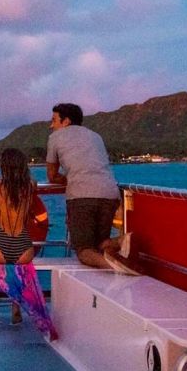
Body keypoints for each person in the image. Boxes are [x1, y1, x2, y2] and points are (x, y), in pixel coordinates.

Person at [46, 103, 136, 275]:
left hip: (82, 196)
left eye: (54, 120)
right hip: (110, 193)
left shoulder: (55, 137)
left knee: (84, 251)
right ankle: (118, 243)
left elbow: (52, 175)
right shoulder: (95, 136)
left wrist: (72, 177)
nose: (51, 125)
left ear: (66, 121)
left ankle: (115, 264)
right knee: (99, 245)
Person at [0, 148, 54, 335]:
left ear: (3, 167)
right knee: (20, 267)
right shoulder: (31, 185)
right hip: (23, 247)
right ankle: (15, 306)